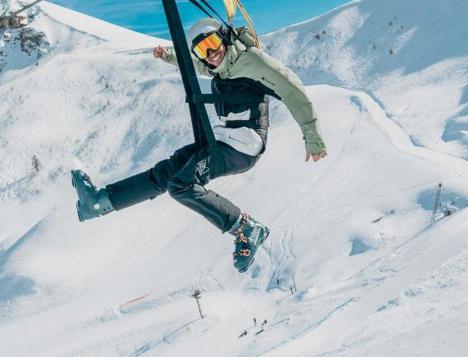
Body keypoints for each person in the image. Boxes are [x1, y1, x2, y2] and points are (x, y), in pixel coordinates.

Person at [72, 17, 327, 273]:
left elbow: (292, 88)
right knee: (167, 172)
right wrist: (170, 55)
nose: (211, 54)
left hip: (244, 145)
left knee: (181, 185)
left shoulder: (252, 61)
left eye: (213, 43)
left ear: (225, 38)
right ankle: (100, 202)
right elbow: (195, 66)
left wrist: (312, 136)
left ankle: (245, 228)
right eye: (202, 50)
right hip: (223, 141)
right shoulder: (220, 66)